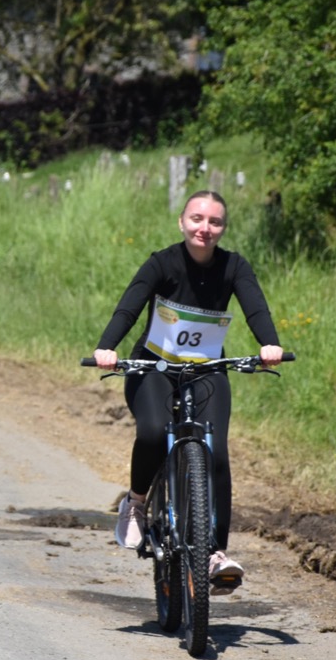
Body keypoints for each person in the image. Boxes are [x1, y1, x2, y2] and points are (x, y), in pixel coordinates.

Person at [91, 190, 283, 592]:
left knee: (217, 452)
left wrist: (269, 343)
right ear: (182, 222)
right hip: (154, 366)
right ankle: (139, 504)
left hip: (206, 369)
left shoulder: (234, 266)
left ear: (223, 229)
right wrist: (107, 347)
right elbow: (129, 306)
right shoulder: (162, 262)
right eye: (197, 219)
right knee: (154, 431)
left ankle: (214, 553)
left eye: (214, 222)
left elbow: (255, 308)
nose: (205, 228)